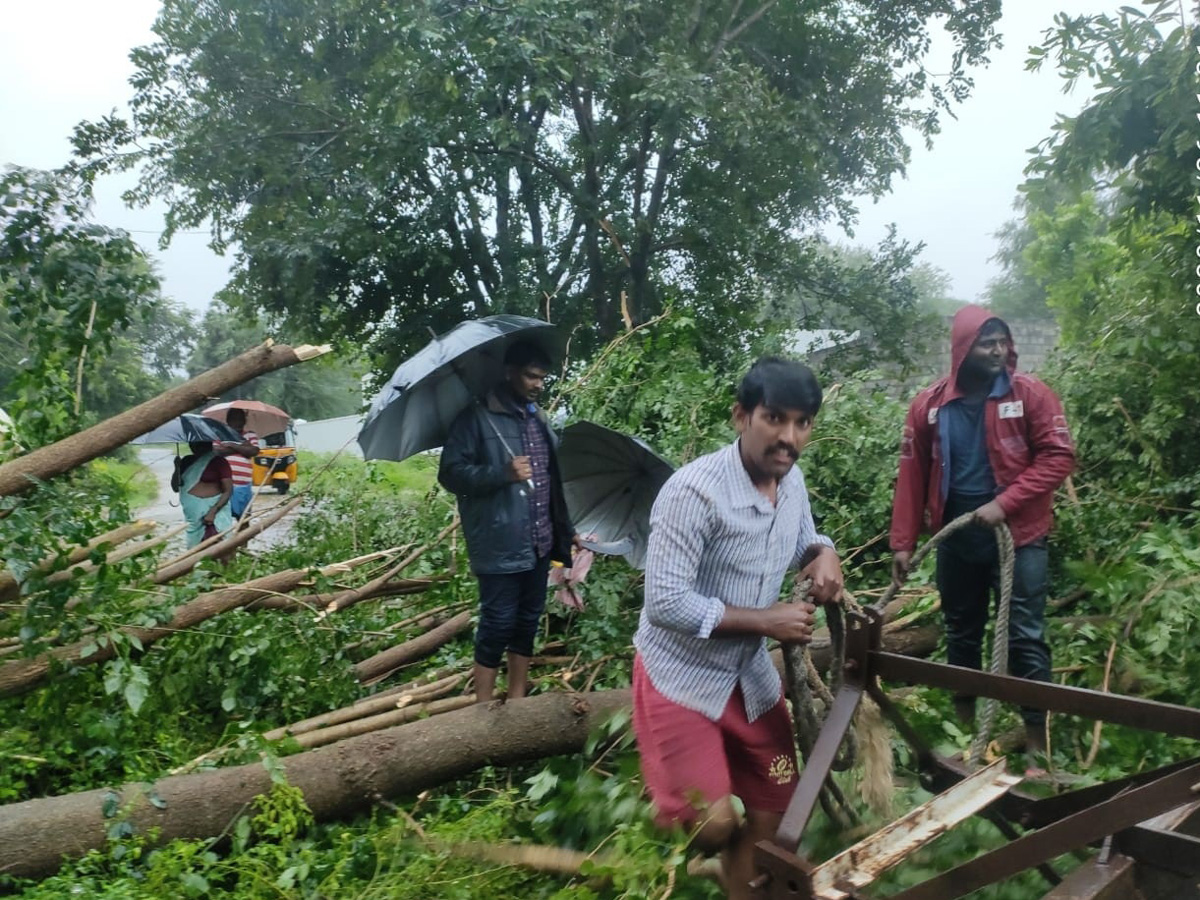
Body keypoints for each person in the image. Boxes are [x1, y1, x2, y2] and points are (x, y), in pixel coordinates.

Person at [631, 357, 843, 900]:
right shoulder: (692, 493)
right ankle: (691, 801)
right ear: (741, 417)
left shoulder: (789, 482)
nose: (788, 437)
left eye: (802, 423)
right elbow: (665, 603)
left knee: (778, 813)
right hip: (680, 676)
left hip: (746, 677)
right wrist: (766, 621)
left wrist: (824, 555)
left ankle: (742, 889)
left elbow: (805, 539)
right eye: (775, 418)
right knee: (715, 827)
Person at [889, 305, 1075, 767]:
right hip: (959, 538)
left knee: (1025, 635)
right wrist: (903, 542)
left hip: (1021, 536)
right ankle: (966, 734)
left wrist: (1005, 503)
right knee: (962, 633)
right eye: (986, 342)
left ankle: (1037, 747)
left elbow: (1058, 456)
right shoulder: (929, 406)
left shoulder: (1030, 395)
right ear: (963, 349)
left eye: (1001, 342)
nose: (997, 350)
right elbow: (913, 474)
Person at [438, 340, 579, 704]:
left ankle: (517, 700)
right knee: (498, 623)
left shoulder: (538, 419)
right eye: (532, 376)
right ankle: (482, 709)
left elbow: (551, 482)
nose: (538, 384)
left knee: (527, 620)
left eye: (542, 378)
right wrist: (502, 473)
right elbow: (451, 474)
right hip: (500, 543)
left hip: (540, 541)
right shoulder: (476, 418)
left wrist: (564, 527)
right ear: (509, 373)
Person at [172, 441, 235, 548]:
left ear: (209, 444)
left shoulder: (219, 461)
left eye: (201, 444)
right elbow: (175, 487)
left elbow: (228, 490)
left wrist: (214, 510)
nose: (197, 447)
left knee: (222, 542)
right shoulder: (186, 461)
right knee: (194, 545)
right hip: (193, 510)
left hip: (216, 508)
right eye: (194, 444)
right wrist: (177, 467)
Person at [216, 408, 260, 519]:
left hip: (244, 485)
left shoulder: (250, 435)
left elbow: (254, 451)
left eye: (241, 419)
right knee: (222, 520)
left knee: (244, 519)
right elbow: (217, 452)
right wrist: (243, 447)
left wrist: (232, 445)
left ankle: (244, 536)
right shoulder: (219, 435)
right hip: (223, 487)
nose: (238, 422)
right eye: (234, 419)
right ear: (228, 421)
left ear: (245, 421)